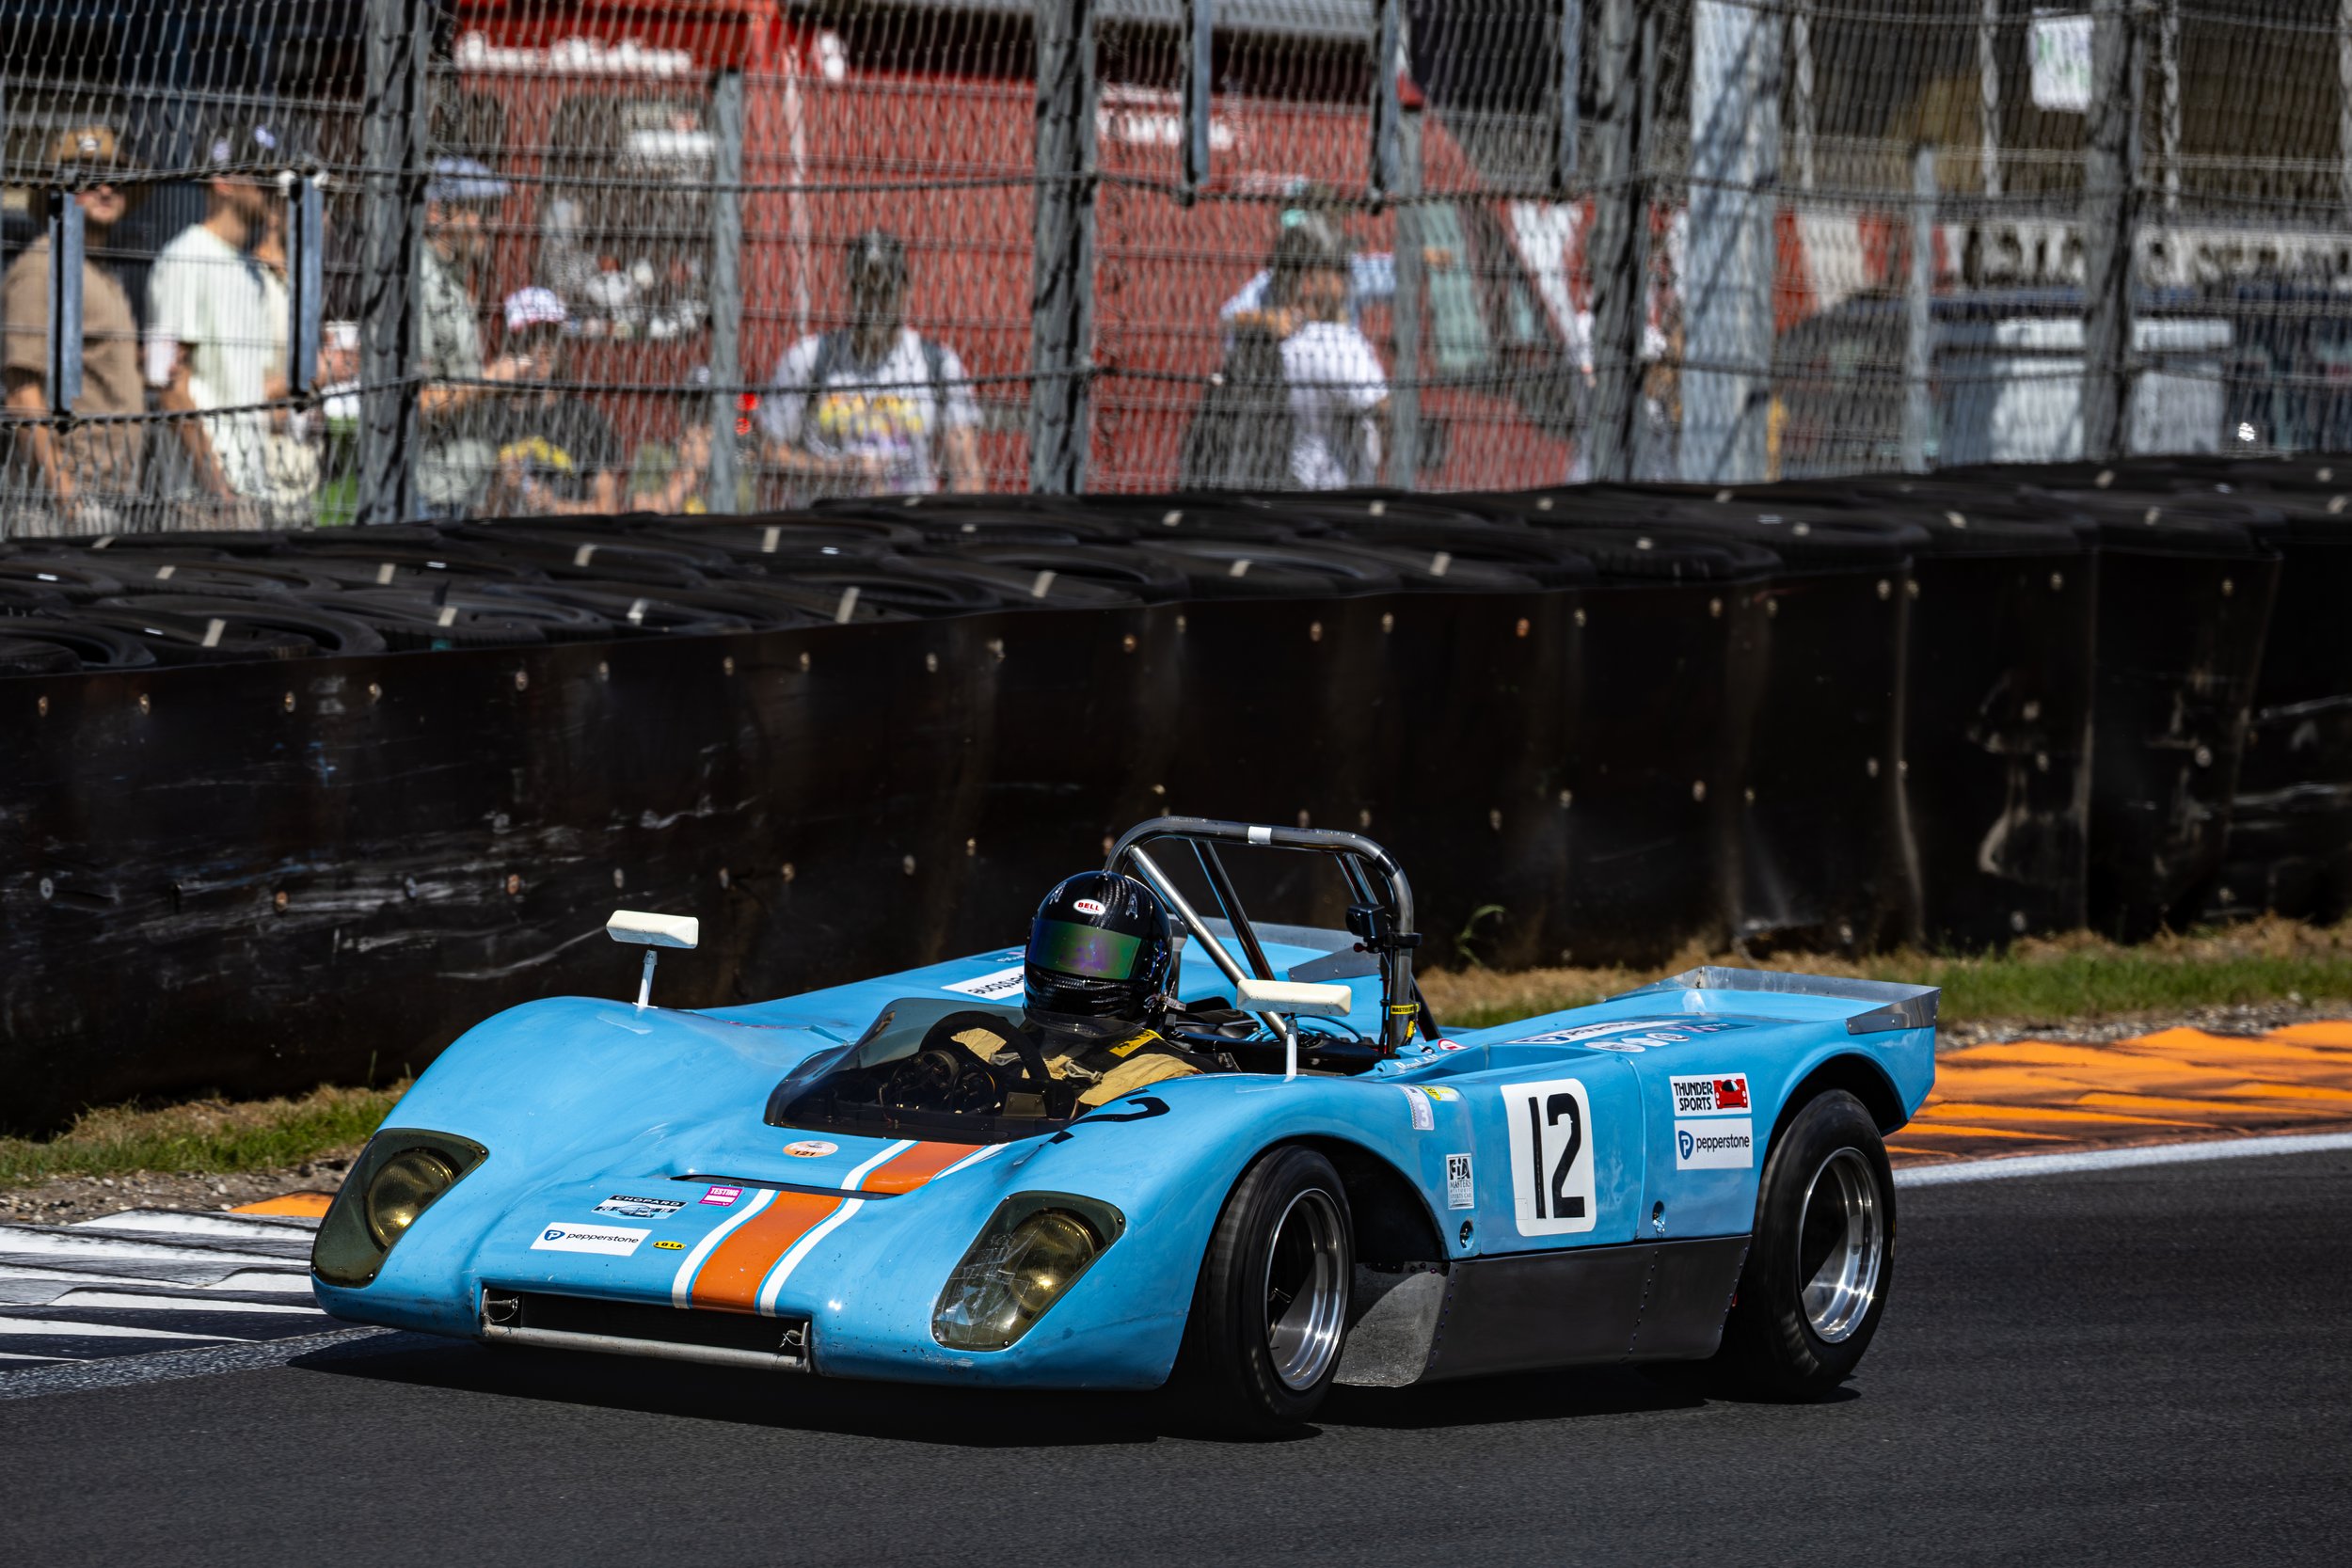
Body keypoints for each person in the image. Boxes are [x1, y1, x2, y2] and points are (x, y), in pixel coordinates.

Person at [943, 872, 1221, 1112]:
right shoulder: (972, 1038)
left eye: (1103, 957)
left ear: (1150, 967)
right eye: (1061, 950)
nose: (1077, 972)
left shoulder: (1163, 1079)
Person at [2, 126, 148, 536]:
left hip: (113, 493)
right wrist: (67, 496)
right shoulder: (41, 268)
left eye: (114, 180)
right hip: (63, 505)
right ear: (57, 191)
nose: (105, 189)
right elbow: (21, 391)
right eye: (87, 179)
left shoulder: (100, 273)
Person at [760, 230, 982, 498]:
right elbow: (768, 451)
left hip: (909, 528)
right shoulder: (809, 359)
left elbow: (965, 469)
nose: (875, 303)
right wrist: (835, 470)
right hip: (831, 529)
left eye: (886, 290)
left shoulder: (938, 363)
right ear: (849, 291)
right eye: (865, 289)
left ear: (904, 292)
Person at [145, 123, 284, 523]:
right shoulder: (183, 258)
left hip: (249, 486)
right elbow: (169, 386)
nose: (273, 190)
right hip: (204, 498)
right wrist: (219, 489)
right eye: (262, 177)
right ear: (224, 182)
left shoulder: (251, 270)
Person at [1187, 214, 1389, 491]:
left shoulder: (1326, 320)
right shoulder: (1273, 294)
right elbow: (1229, 316)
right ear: (1308, 276)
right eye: (1340, 269)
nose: (1349, 277)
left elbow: (1386, 273)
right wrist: (1266, 320)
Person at [415, 157, 525, 518]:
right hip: (430, 494)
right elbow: (417, 402)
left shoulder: (453, 282)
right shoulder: (422, 284)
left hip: (458, 492)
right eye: (479, 210)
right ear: (436, 214)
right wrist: (490, 382)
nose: (493, 223)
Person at [480, 288, 624, 516]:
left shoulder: (583, 417)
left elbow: (608, 509)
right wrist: (504, 488)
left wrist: (553, 506)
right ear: (512, 344)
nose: (543, 348)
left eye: (551, 336)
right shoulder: (489, 415)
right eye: (532, 338)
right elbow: (477, 515)